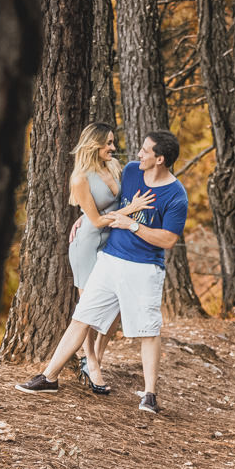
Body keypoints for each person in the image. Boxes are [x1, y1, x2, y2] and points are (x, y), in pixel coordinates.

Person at [16, 129, 188, 414]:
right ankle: (49, 377)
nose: (138, 154)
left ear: (160, 159)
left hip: (145, 268)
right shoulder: (132, 171)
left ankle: (150, 395)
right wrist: (85, 219)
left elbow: (168, 240)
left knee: (148, 330)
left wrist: (132, 225)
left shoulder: (176, 195)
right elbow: (105, 201)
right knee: (81, 318)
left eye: (145, 151)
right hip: (109, 260)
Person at [65, 123, 154, 381]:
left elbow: (116, 205)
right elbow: (96, 221)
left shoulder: (114, 167)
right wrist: (129, 210)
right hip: (88, 247)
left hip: (112, 244)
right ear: (94, 144)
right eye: (108, 144)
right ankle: (90, 361)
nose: (113, 148)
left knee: (115, 305)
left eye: (113, 143)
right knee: (88, 309)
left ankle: (97, 357)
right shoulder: (80, 178)